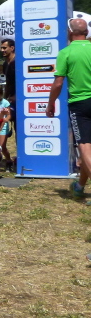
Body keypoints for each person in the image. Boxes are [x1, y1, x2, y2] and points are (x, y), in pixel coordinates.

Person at [47, 18, 91, 203]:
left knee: (85, 149)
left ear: (70, 32)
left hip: (80, 104)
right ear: (86, 32)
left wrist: (50, 104)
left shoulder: (66, 52)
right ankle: (79, 186)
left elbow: (58, 83)